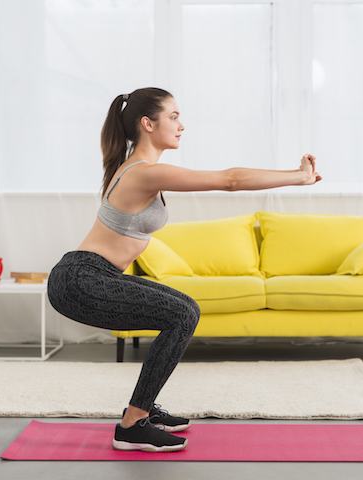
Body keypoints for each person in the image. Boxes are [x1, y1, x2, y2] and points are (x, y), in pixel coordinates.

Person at [47, 87, 321, 453]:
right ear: (147, 123)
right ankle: (132, 424)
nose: (181, 126)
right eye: (173, 117)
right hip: (81, 279)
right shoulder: (143, 173)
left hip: (91, 276)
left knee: (183, 311)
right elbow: (230, 180)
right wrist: (297, 176)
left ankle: (142, 409)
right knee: (183, 312)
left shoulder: (133, 167)